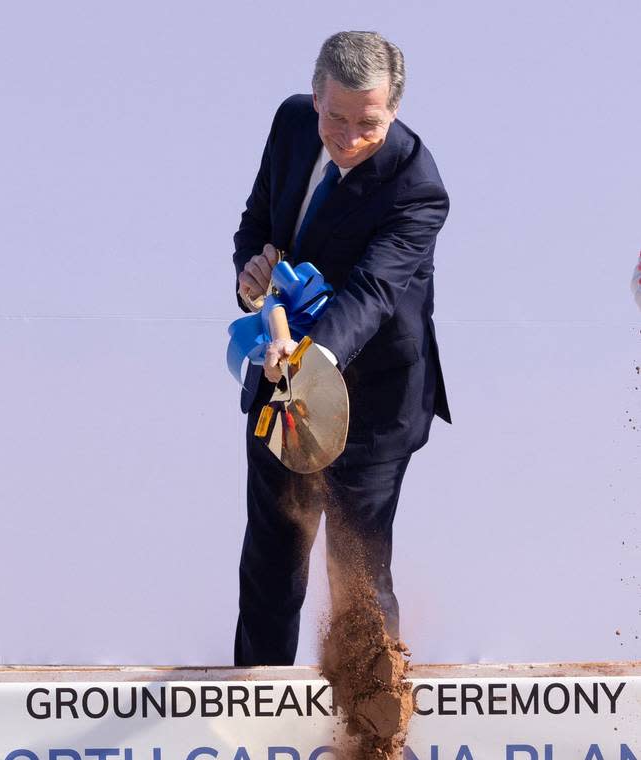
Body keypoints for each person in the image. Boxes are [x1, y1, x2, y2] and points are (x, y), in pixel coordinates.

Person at [231, 31, 451, 665]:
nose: (349, 137)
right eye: (336, 117)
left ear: (396, 109)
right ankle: (258, 708)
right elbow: (257, 222)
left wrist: (309, 362)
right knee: (272, 556)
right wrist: (252, 272)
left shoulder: (417, 186)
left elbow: (372, 293)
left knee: (355, 568)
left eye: (369, 123)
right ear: (314, 95)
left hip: (375, 399)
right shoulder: (293, 124)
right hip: (284, 383)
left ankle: (372, 717)